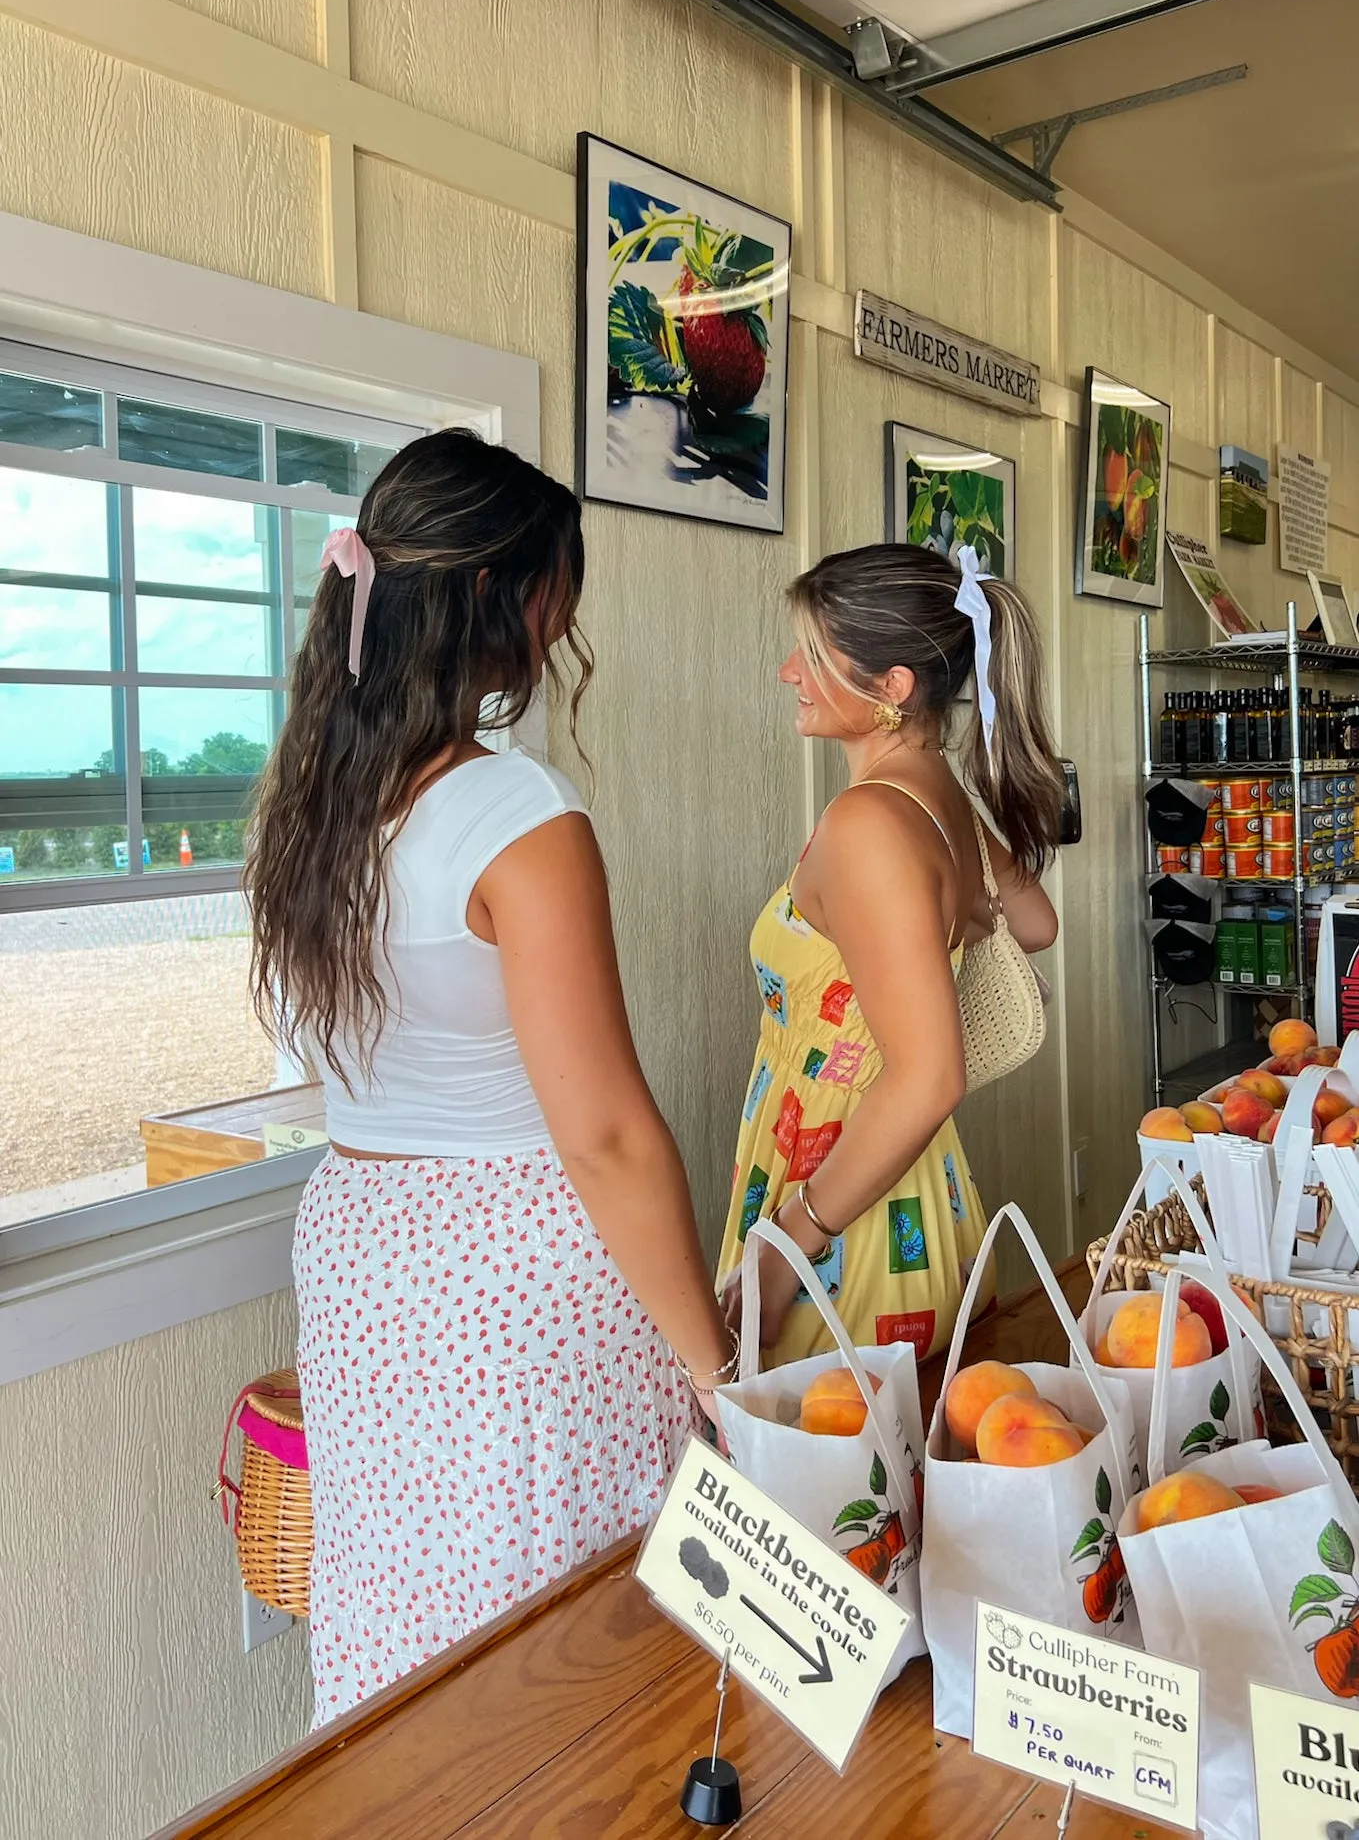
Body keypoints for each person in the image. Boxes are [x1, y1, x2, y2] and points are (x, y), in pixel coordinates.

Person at [247, 430, 735, 1727]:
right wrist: (710, 1361)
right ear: (497, 597)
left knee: (405, 1613)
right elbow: (605, 1135)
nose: (560, 621)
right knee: (560, 1628)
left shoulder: (310, 806)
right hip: (516, 1272)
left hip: (361, 1250)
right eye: (554, 590)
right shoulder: (516, 815)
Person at [716, 542, 1062, 1366]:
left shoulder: (870, 822)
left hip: (842, 1212)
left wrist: (786, 1247)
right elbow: (1035, 922)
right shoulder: (936, 791)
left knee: (824, 1481)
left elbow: (929, 1076)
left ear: (891, 687)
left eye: (811, 653)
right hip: (906, 1186)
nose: (786, 671)